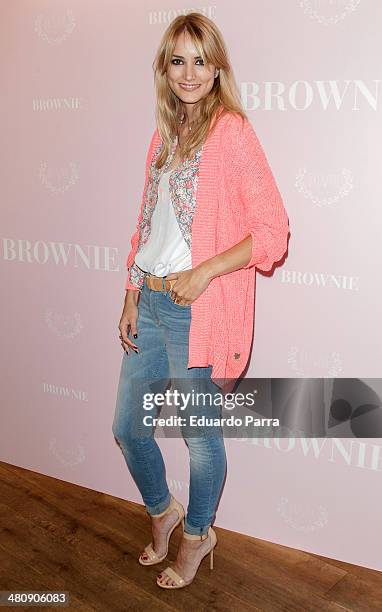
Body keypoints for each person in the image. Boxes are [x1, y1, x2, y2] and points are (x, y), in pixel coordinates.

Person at [112, 12, 290, 590]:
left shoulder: (232, 131)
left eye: (200, 59)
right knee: (129, 428)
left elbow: (273, 231)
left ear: (217, 68)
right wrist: (132, 292)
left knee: (200, 440)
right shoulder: (164, 134)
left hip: (199, 311)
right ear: (165, 68)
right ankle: (165, 513)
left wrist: (204, 271)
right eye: (177, 60)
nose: (189, 72)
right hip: (154, 302)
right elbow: (147, 223)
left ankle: (197, 536)